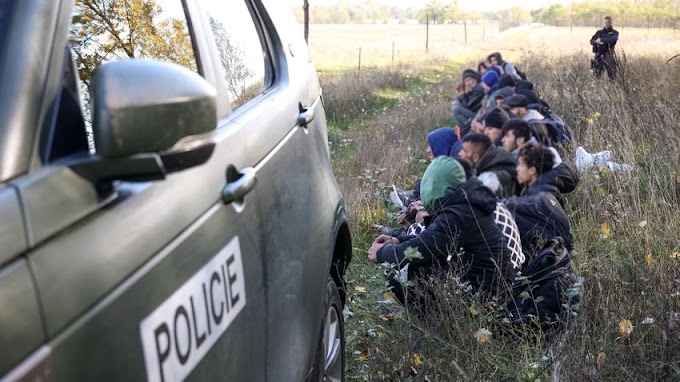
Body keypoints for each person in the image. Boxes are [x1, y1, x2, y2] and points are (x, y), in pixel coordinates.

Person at [368, 156, 516, 305]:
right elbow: (432, 240)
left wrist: (382, 253)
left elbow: (423, 249)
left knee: (401, 276)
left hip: (485, 299)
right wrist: (399, 240)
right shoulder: (463, 206)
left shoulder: (458, 214)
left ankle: (440, 326)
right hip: (486, 288)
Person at [505, 144, 574, 259]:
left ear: (532, 170)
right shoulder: (548, 188)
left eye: (521, 164)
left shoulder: (538, 196)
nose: (517, 169)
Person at [459, 132, 518, 197]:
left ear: (475, 157)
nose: (460, 153)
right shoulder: (484, 166)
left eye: (464, 150)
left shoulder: (495, 178)